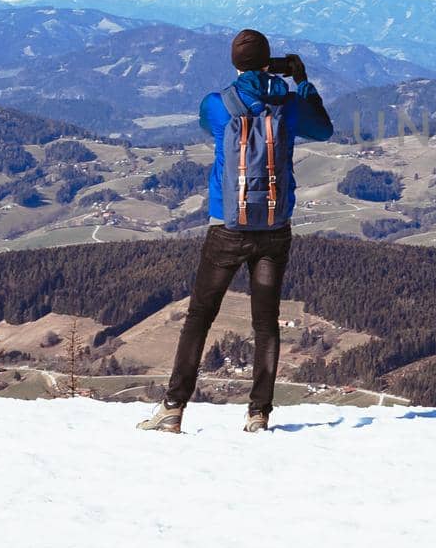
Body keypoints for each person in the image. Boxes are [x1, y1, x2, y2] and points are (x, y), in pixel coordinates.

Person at [139, 29, 333, 434]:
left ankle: (173, 409)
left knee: (199, 318)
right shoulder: (290, 104)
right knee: (265, 323)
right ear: (268, 62)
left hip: (226, 226)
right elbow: (324, 130)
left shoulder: (217, 104)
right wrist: (301, 80)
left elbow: (208, 127)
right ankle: (258, 414)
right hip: (275, 229)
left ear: (234, 63)